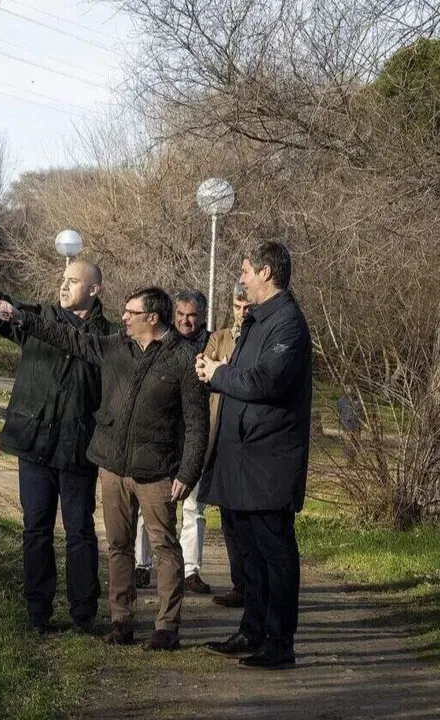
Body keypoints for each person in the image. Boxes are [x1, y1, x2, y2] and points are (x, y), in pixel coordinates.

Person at [0, 287, 208, 651]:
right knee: (119, 547)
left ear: (152, 318)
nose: (123, 318)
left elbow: (198, 425)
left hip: (156, 472)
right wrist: (23, 318)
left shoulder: (184, 359)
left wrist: (187, 474)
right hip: (113, 469)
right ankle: (121, 622)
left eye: (131, 313)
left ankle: (167, 627)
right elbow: (67, 337)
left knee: (165, 548)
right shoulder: (114, 346)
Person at [0, 260, 118, 634]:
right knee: (36, 530)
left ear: (94, 290)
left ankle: (84, 614)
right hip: (33, 445)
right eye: (63, 280)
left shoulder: (109, 338)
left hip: (78, 449)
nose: (64, 287)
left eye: (73, 281)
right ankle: (38, 612)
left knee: (79, 532)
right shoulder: (36, 318)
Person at [196, 241, 313, 671]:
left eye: (246, 270)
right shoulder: (258, 320)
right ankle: (252, 630)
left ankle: (279, 643)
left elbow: (266, 381)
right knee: (248, 551)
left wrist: (218, 373)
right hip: (242, 457)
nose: (241, 278)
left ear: (266, 272)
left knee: (274, 552)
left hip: (269, 461)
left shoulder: (288, 323)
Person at [134, 289, 214, 595]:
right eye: (180, 315)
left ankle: (191, 570)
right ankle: (143, 565)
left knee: (195, 507)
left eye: (191, 316)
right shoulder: (162, 342)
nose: (185, 321)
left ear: (201, 317)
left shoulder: (211, 345)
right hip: (162, 437)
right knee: (149, 506)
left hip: (194, 436)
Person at [202, 283, 252, 609]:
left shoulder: (258, 339)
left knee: (248, 519)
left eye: (246, 306)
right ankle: (239, 584)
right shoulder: (219, 337)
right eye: (237, 306)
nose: (242, 312)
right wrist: (217, 368)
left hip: (247, 440)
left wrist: (223, 369)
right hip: (218, 437)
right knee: (228, 519)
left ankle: (254, 585)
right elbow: (204, 370)